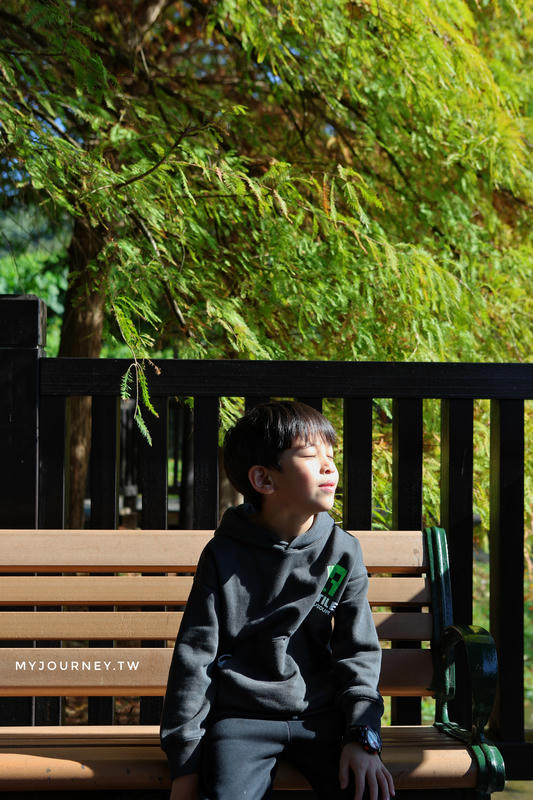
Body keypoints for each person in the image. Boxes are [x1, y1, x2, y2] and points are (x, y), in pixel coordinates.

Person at [160, 401, 395, 800]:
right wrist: (185, 764)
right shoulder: (223, 556)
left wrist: (361, 734)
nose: (329, 467)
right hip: (240, 720)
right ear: (264, 480)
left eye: (331, 456)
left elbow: (358, 652)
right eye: (309, 456)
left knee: (368, 790)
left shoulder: (342, 552)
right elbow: (194, 658)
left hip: (322, 718)